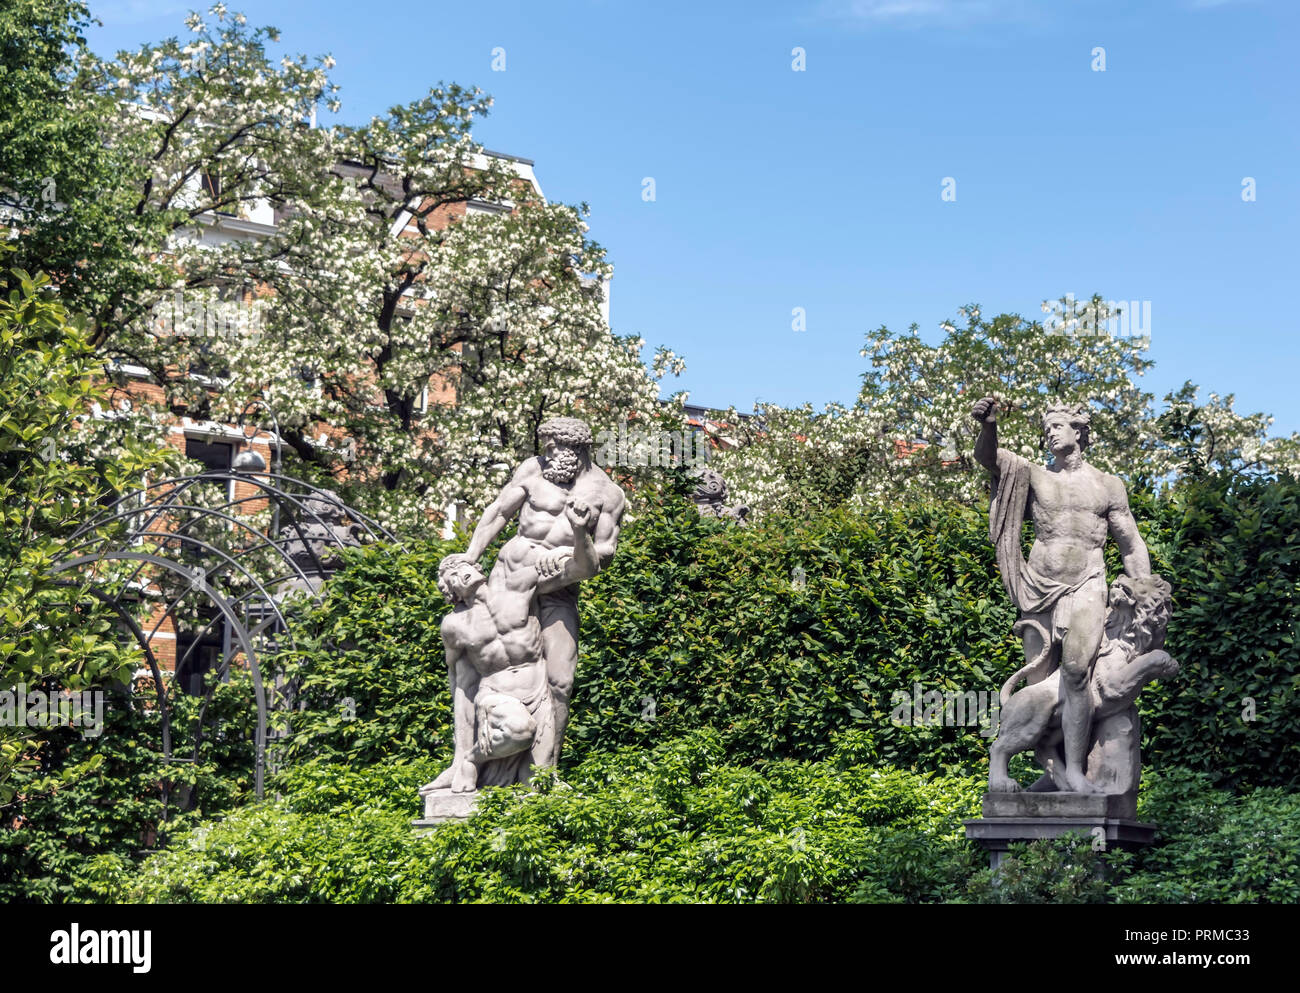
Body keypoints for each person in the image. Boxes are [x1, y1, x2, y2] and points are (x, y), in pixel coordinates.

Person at [971, 396, 1150, 793]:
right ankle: (1051, 768)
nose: (1050, 432)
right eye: (1047, 427)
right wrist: (989, 426)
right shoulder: (1033, 475)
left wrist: (1144, 591)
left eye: (1057, 425)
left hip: (1087, 584)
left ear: (1079, 432)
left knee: (1074, 675)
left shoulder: (1107, 485)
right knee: (1037, 683)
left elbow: (1131, 545)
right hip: (1037, 590)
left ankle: (1073, 772)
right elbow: (988, 458)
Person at [446, 416, 625, 765]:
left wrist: (570, 547)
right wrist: (471, 554)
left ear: (578, 449)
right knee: (480, 663)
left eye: (555, 448)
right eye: (546, 447)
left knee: (561, 681)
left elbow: (605, 553)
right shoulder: (532, 469)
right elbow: (499, 511)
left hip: (559, 588)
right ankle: (467, 761)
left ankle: (545, 772)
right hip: (509, 577)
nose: (548, 455)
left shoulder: (608, 494)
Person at [421, 496, 600, 795]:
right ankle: (472, 758)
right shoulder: (454, 626)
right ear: (449, 590)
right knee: (520, 730)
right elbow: (461, 686)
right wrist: (461, 749)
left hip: (538, 695)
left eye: (464, 563)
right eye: (453, 572)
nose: (464, 568)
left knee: (539, 788)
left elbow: (584, 569)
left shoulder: (517, 586)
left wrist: (579, 533)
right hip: (496, 699)